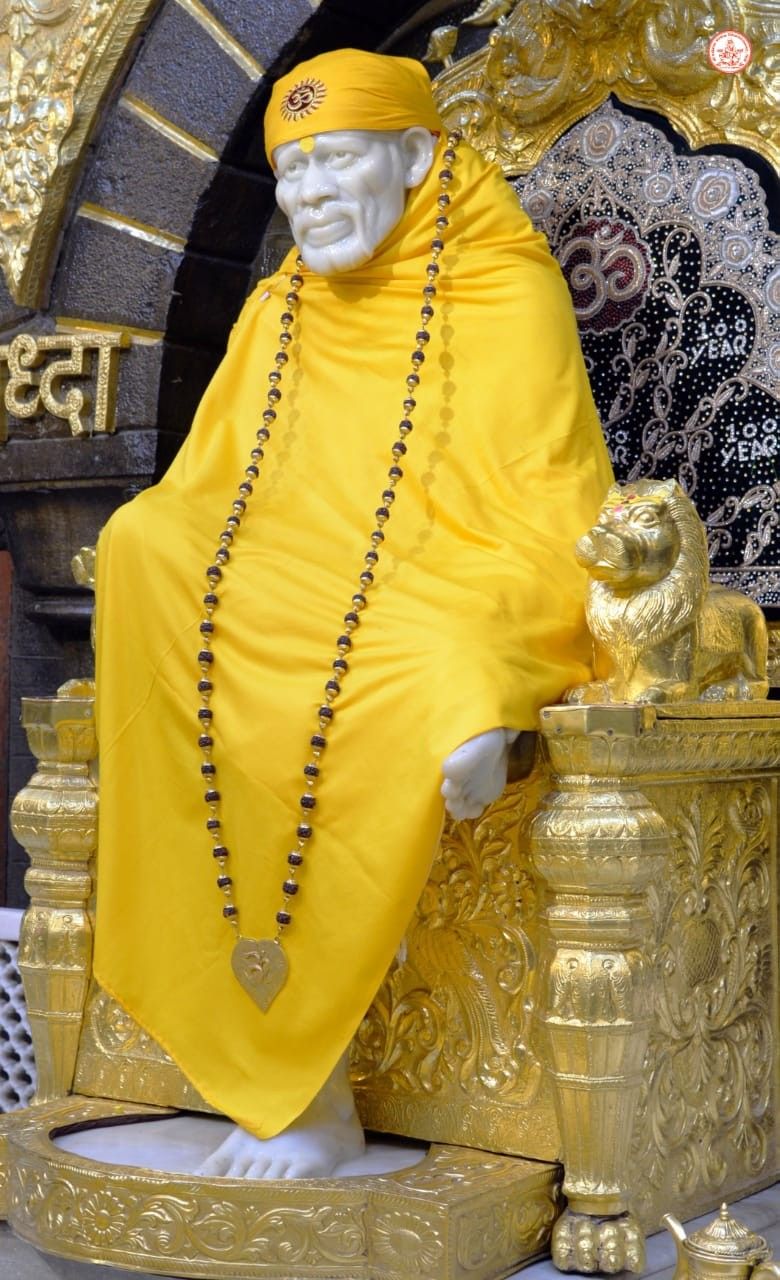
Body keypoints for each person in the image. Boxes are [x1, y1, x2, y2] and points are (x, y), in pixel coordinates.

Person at [93, 48, 613, 1180]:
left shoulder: (501, 283)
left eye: (336, 161)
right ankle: (286, 1075)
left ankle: (315, 1091)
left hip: (452, 578)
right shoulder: (281, 309)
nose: (309, 195)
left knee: (438, 656)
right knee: (142, 541)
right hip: (297, 579)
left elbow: (544, 507)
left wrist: (492, 673)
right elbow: (215, 495)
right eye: (289, 171)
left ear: (420, 155)